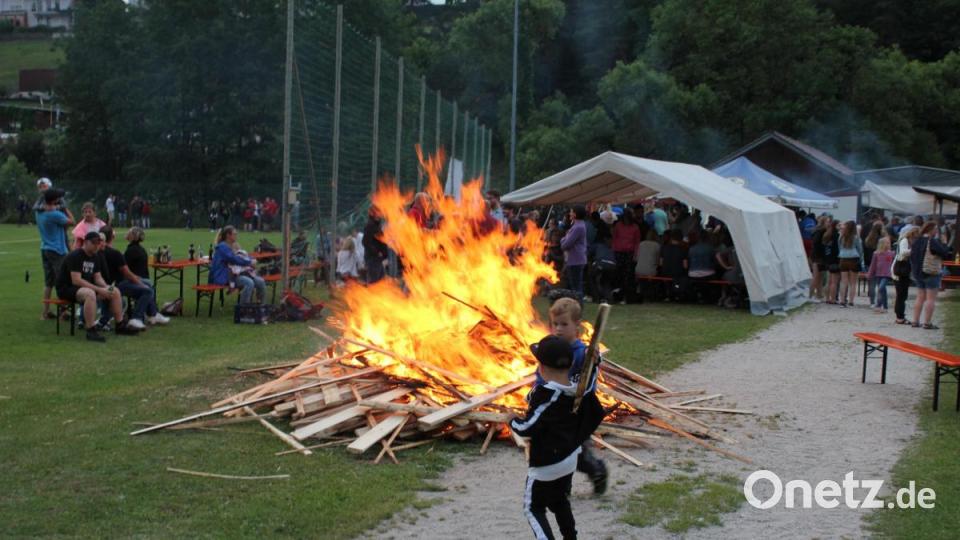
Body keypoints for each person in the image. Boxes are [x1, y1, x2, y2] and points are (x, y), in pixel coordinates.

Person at [511, 334, 604, 540]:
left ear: (541, 369)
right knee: (559, 501)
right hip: (570, 458)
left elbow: (527, 427)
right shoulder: (577, 389)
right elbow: (590, 378)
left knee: (533, 508)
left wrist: (512, 421)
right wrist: (596, 361)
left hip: (546, 465)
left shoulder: (546, 396)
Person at [539, 298, 608, 495]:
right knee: (555, 449)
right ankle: (561, 485)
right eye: (555, 324)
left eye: (564, 324)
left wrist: (595, 358)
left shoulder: (582, 352)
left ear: (577, 325)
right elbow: (542, 375)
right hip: (557, 409)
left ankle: (596, 470)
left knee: (575, 452)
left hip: (578, 411)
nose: (558, 329)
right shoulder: (552, 349)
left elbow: (592, 362)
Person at [56, 231, 138, 342]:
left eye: (98, 243)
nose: (96, 245)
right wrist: (99, 290)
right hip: (66, 288)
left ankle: (120, 325)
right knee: (89, 294)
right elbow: (76, 281)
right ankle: (91, 330)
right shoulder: (75, 256)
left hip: (83, 287)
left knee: (115, 291)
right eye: (94, 242)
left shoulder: (95, 256)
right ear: (85, 242)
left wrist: (107, 287)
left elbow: (97, 278)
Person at [100, 226, 169, 329]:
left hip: (106, 284)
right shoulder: (119, 252)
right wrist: (139, 282)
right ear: (113, 237)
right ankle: (138, 318)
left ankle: (153, 314)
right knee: (148, 289)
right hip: (116, 285)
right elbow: (127, 273)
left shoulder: (97, 252)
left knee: (147, 286)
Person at [37, 188, 75, 320]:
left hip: (45, 248)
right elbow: (72, 221)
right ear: (54, 200)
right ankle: (64, 313)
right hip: (58, 250)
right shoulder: (55, 214)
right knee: (63, 280)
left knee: (49, 283)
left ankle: (45, 313)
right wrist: (64, 208)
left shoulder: (39, 212)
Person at [910, 222, 953, 329]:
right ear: (930, 230)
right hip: (931, 272)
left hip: (918, 273)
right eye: (935, 230)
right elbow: (944, 253)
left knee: (920, 297)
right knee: (930, 299)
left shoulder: (917, 241)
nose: (936, 232)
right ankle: (927, 323)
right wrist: (944, 243)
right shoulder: (932, 241)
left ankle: (915, 321)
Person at [209, 226, 266, 304]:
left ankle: (261, 307)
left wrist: (252, 259)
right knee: (249, 283)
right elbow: (234, 259)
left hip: (237, 273)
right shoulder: (222, 247)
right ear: (228, 235)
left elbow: (243, 254)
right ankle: (243, 310)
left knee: (261, 282)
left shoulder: (233, 245)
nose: (236, 235)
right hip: (225, 276)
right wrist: (249, 262)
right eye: (234, 234)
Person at [611, 211, 641, 304]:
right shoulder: (618, 226)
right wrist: (614, 250)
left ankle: (627, 296)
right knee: (619, 274)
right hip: (619, 252)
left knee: (628, 275)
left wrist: (636, 254)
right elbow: (614, 238)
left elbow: (637, 242)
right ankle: (618, 295)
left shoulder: (635, 227)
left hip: (629, 253)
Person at [560, 206, 588, 299]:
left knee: (576, 288)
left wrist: (562, 239)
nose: (570, 214)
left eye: (571, 212)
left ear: (575, 214)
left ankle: (578, 307)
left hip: (576, 260)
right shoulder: (578, 225)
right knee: (575, 287)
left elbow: (566, 244)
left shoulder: (578, 227)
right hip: (575, 259)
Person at [892, 227, 918, 324]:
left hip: (903, 270)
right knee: (901, 294)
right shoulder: (905, 241)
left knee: (902, 295)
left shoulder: (908, 241)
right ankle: (899, 317)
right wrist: (913, 250)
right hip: (900, 270)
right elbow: (903, 252)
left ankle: (900, 315)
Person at [837, 220, 863, 307]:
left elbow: (839, 247)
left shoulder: (841, 237)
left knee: (843, 281)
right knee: (853, 282)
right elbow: (860, 250)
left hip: (843, 259)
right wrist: (861, 260)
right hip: (853, 259)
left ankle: (842, 300)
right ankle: (851, 301)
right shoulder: (856, 238)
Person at [866, 237, 894, 314]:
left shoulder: (891, 253)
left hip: (887, 274)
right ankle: (885, 307)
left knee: (881, 288)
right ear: (882, 244)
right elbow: (873, 265)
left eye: (889, 243)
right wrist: (869, 274)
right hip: (878, 274)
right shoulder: (876, 253)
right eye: (887, 243)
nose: (888, 244)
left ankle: (878, 304)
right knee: (883, 290)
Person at [362, 207, 389, 284]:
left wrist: (383, 254)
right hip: (373, 259)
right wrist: (376, 252)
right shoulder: (370, 226)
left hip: (378, 259)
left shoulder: (377, 225)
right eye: (377, 213)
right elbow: (365, 242)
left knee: (381, 281)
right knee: (374, 282)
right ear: (373, 214)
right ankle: (370, 295)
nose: (380, 214)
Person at [863, 221, 885, 307]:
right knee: (880, 283)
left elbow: (865, 251)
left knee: (871, 284)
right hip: (881, 263)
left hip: (869, 262)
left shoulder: (868, 239)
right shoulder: (882, 240)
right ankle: (880, 301)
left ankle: (872, 302)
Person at [821, 220, 841, 304]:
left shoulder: (826, 235)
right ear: (836, 226)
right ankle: (833, 299)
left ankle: (826, 298)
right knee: (834, 282)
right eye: (839, 225)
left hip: (827, 259)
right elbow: (837, 249)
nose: (840, 226)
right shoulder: (837, 235)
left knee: (829, 281)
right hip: (835, 259)